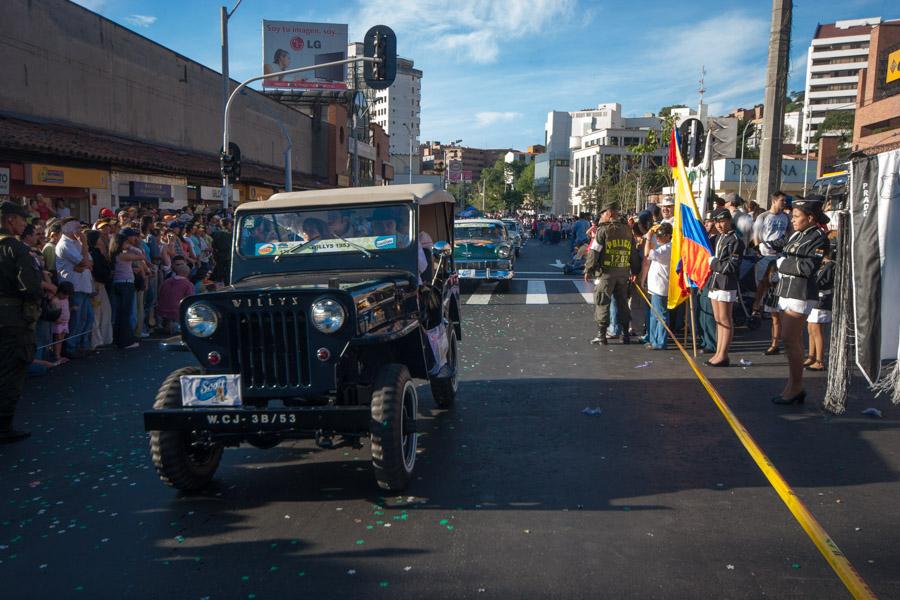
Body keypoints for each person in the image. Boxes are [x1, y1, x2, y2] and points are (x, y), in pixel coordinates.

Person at [772, 197, 830, 405]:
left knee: (790, 340)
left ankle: (796, 386)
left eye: (796, 216)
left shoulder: (819, 238)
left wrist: (782, 264)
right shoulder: (797, 234)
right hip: (787, 290)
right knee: (789, 341)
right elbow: (786, 251)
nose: (792, 219)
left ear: (810, 217)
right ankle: (793, 385)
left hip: (801, 292)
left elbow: (807, 267)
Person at [0, 201, 47, 443]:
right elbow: (30, 286)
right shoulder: (16, 249)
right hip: (12, 318)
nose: (23, 224)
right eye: (21, 219)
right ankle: (4, 426)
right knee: (11, 372)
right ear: (10, 220)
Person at [584, 201, 634, 345]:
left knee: (602, 302)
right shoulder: (627, 230)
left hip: (606, 274)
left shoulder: (603, 230)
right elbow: (633, 253)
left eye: (603, 214)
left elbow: (594, 252)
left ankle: (602, 335)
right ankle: (625, 334)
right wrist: (635, 270)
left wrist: (589, 269)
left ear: (609, 213)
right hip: (623, 273)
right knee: (623, 303)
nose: (601, 217)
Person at [706, 209, 745, 367]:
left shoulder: (736, 240)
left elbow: (731, 266)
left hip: (726, 282)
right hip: (716, 281)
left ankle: (723, 354)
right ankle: (718, 352)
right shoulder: (720, 237)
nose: (719, 225)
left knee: (725, 319)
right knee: (718, 319)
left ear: (729, 220)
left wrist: (713, 263)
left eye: (722, 221)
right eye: (717, 222)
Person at [55, 217, 94, 358]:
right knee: (76, 319)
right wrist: (84, 245)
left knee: (87, 318)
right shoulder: (65, 244)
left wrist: (83, 263)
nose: (80, 231)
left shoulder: (76, 243)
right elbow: (84, 261)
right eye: (77, 228)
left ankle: (81, 345)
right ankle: (71, 348)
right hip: (74, 287)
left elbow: (90, 262)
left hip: (84, 286)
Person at [109, 228, 145, 349]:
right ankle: (126, 341)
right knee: (126, 313)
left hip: (117, 283)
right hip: (126, 284)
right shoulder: (123, 255)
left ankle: (118, 339)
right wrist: (131, 247)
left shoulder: (114, 255)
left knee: (119, 314)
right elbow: (141, 256)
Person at [641, 222, 672, 350]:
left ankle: (660, 341)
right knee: (655, 315)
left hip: (661, 286)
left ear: (669, 236)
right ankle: (654, 340)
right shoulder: (663, 247)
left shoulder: (667, 248)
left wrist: (649, 238)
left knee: (660, 315)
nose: (658, 238)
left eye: (661, 235)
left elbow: (647, 254)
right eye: (657, 235)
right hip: (656, 286)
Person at [805, 242, 835, 372]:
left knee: (817, 331)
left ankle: (820, 361)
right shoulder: (822, 265)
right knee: (811, 329)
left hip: (823, 299)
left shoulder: (830, 265)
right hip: (816, 299)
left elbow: (819, 281)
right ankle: (811, 356)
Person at [86, 229, 113, 348]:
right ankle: (96, 341)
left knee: (105, 311)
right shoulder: (92, 254)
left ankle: (104, 338)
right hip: (96, 285)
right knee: (97, 314)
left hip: (102, 285)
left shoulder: (99, 253)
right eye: (100, 238)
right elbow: (93, 271)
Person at [156, 261, 194, 334]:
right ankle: (176, 325)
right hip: (176, 311)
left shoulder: (166, 281)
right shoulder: (188, 284)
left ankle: (168, 324)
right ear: (187, 273)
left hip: (161, 310)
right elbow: (190, 299)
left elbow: (160, 293)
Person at [51, 281, 74, 361]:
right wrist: (56, 319)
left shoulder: (66, 298)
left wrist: (71, 309)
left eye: (67, 295)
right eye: (64, 294)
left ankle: (58, 355)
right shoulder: (55, 300)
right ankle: (57, 356)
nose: (66, 296)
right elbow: (54, 311)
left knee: (61, 339)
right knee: (58, 339)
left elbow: (66, 308)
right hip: (58, 323)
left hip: (65, 322)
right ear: (59, 291)